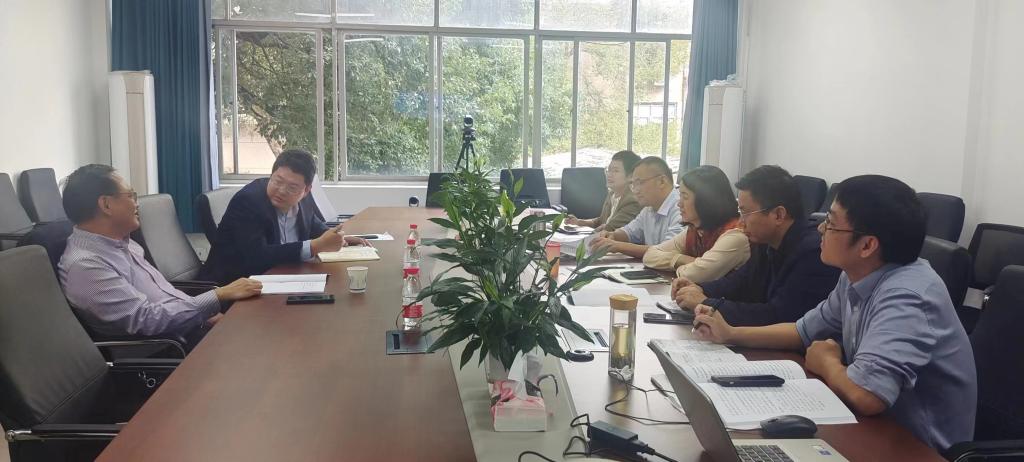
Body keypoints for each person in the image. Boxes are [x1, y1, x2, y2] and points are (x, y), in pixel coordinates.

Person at [692, 175, 976, 451]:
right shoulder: (856, 274)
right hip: (869, 428)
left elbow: (868, 395)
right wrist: (731, 333)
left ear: (867, 245)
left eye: (831, 223)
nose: (820, 229)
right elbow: (802, 330)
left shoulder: (908, 296)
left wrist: (828, 363)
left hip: (916, 448)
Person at [58, 164, 262, 346]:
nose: (136, 204)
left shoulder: (122, 243)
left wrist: (206, 314)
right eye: (130, 196)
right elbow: (146, 320)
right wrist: (218, 296)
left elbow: (164, 295)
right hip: (169, 348)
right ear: (106, 205)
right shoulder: (86, 266)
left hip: (189, 328)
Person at [672, 165, 839, 326]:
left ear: (778, 215)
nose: (741, 221)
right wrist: (698, 288)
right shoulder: (765, 241)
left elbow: (778, 316)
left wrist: (706, 303)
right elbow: (739, 283)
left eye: (746, 212)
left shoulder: (812, 254)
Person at [200, 149, 369, 284]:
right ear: (271, 175)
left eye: (292, 187)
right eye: (277, 181)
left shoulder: (303, 200)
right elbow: (256, 257)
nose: (281, 190)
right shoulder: (248, 202)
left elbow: (313, 224)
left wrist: (337, 238)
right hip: (236, 286)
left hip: (283, 279)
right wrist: (314, 246)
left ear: (306, 190)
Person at [643, 165, 750, 283]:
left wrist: (684, 267)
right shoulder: (696, 230)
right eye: (680, 196)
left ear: (706, 200)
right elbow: (649, 255)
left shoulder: (735, 235)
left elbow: (695, 275)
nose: (679, 204)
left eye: (685, 197)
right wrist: (682, 259)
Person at [588, 156, 683, 259]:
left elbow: (665, 251)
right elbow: (629, 232)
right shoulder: (649, 208)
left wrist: (617, 246)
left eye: (639, 183)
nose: (635, 190)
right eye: (632, 184)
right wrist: (612, 235)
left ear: (661, 181)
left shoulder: (681, 208)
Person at [565, 150, 642, 232]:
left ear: (630, 176)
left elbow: (610, 228)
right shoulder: (612, 194)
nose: (609, 174)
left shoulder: (632, 201)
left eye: (615, 171)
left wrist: (587, 235)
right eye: (608, 170)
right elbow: (601, 221)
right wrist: (578, 222)